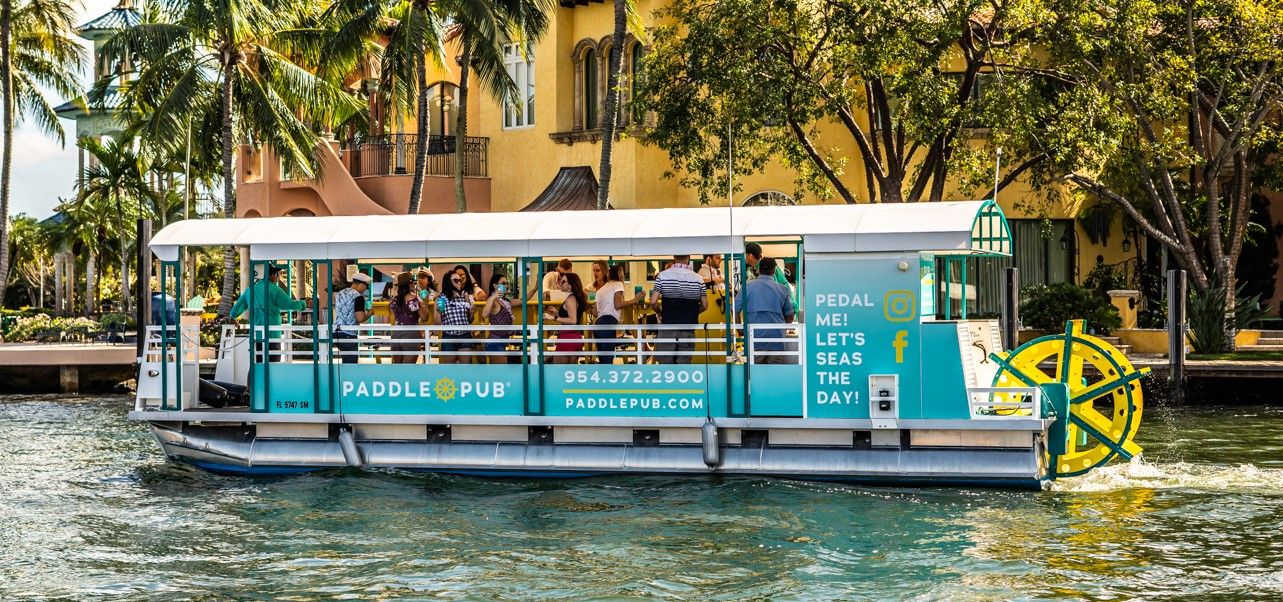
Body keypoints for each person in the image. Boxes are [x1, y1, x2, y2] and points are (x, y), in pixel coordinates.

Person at [230, 266, 307, 363]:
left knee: (256, 366)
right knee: (272, 365)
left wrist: (233, 317)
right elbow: (289, 304)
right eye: (276, 274)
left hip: (256, 335)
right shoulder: (274, 290)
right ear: (272, 275)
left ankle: (253, 379)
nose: (277, 277)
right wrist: (303, 304)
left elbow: (238, 306)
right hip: (272, 334)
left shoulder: (250, 290)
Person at [735, 257, 796, 364]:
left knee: (754, 375)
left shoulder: (746, 287)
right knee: (775, 376)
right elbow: (790, 316)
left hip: (754, 339)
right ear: (774, 270)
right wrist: (783, 328)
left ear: (759, 269)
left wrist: (740, 329)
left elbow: (735, 310)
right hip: (777, 340)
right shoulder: (783, 289)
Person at [648, 255, 707, 364]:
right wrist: (692, 313)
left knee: (666, 368)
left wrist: (660, 312)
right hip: (688, 329)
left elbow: (653, 301)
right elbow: (705, 305)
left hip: (668, 328)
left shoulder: (663, 276)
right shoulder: (698, 279)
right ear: (689, 257)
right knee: (683, 369)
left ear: (674, 256)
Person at [594, 263, 640, 365]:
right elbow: (617, 304)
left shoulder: (600, 290)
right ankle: (607, 380)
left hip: (597, 325)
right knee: (607, 361)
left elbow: (594, 313)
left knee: (603, 360)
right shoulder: (618, 284)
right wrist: (635, 300)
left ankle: (602, 379)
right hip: (608, 324)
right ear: (620, 274)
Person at [545, 272, 587, 364]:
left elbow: (572, 320)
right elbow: (570, 316)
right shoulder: (575, 298)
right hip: (575, 337)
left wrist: (553, 318)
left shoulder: (570, 298)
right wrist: (557, 314)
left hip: (567, 338)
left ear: (571, 285)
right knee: (570, 374)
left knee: (558, 372)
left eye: (563, 282)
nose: (560, 283)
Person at [437, 269, 476, 364]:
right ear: (448, 282)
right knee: (449, 371)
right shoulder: (441, 298)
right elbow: (437, 323)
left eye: (460, 280)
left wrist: (471, 312)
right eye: (456, 280)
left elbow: (469, 320)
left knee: (465, 369)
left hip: (465, 334)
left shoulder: (465, 296)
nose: (459, 282)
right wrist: (438, 311)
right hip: (449, 336)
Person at [333, 273, 371, 364]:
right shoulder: (358, 297)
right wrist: (370, 313)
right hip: (348, 334)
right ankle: (346, 378)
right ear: (361, 284)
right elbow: (360, 318)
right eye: (366, 286)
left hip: (336, 332)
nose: (366, 289)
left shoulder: (340, 293)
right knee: (350, 365)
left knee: (344, 363)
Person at [389, 275, 426, 364]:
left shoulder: (394, 301)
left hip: (396, 335)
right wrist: (424, 304)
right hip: (411, 335)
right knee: (408, 371)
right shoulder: (413, 300)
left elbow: (393, 319)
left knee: (399, 370)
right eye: (413, 283)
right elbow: (425, 317)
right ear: (410, 284)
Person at [483, 273, 515, 364]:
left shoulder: (506, 301)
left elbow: (522, 300)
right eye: (503, 283)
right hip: (495, 342)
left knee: (500, 373)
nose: (506, 285)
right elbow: (484, 314)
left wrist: (536, 288)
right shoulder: (492, 300)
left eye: (507, 283)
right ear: (495, 285)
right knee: (500, 373)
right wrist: (494, 296)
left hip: (503, 341)